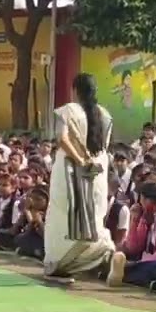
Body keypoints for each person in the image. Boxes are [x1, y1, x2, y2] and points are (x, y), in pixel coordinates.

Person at [44, 73, 117, 278]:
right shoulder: (105, 114)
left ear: (75, 90)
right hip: (96, 173)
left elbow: (62, 139)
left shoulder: (69, 110)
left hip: (70, 171)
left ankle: (60, 264)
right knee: (93, 216)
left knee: (62, 216)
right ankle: (106, 251)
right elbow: (103, 146)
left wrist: (78, 160)